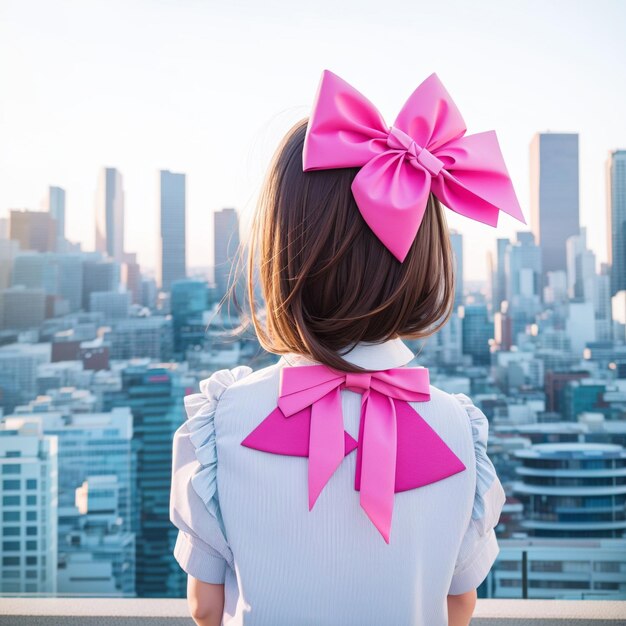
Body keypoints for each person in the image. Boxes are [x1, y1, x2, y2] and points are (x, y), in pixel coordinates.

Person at [170, 69, 521, 626]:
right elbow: (457, 607)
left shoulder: (220, 422)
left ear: (279, 255)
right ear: (424, 253)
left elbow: (204, 607)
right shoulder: (459, 430)